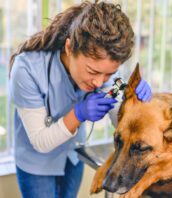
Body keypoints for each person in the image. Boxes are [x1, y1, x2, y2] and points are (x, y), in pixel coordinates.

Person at [8, 1, 152, 198]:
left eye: (109, 74)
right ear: (69, 47)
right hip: (36, 163)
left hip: (72, 156)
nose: (99, 82)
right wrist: (78, 114)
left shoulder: (105, 71)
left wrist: (136, 105)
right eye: (93, 71)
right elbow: (41, 141)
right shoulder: (26, 70)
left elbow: (120, 120)